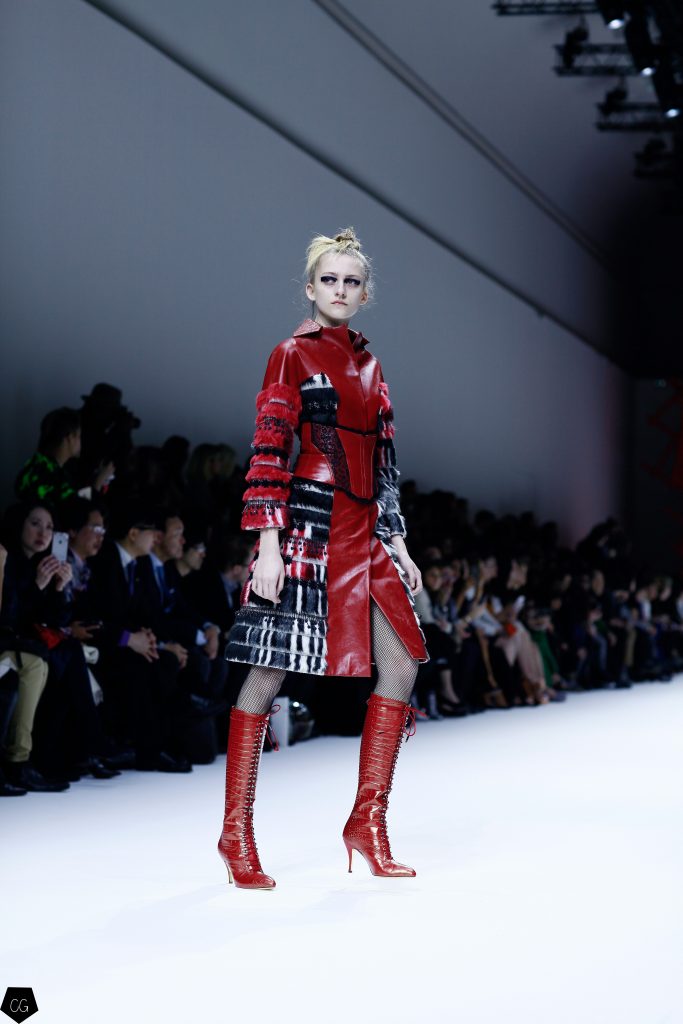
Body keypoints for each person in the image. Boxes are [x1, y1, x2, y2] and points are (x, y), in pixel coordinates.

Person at [218, 228, 428, 889]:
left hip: (365, 529)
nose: (340, 290)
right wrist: (268, 543)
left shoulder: (372, 366)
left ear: (366, 294)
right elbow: (269, 449)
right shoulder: (290, 354)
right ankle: (235, 834)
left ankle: (367, 822)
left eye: (351, 281)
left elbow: (384, 461)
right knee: (268, 673)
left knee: (401, 664)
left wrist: (396, 540)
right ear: (310, 287)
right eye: (329, 280)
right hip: (307, 523)